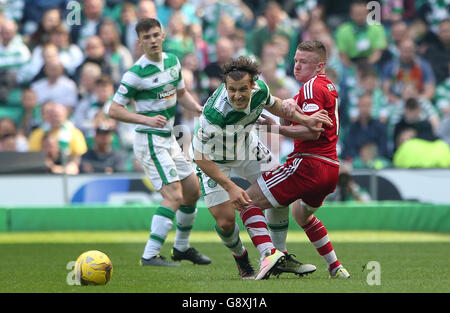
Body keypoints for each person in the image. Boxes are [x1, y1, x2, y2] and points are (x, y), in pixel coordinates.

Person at [192, 56, 333, 280]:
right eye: (232, 90)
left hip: (248, 147)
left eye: (242, 89)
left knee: (279, 192)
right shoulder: (215, 116)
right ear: (225, 87)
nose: (237, 95)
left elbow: (276, 105)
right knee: (226, 222)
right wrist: (230, 187)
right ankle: (241, 258)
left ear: (253, 86)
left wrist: (306, 120)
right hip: (214, 159)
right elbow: (199, 157)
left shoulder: (260, 90)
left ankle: (279, 256)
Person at [242, 40, 351, 279]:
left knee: (246, 201)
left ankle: (271, 256)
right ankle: (335, 267)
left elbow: (313, 132)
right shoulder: (325, 86)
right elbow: (312, 125)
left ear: (320, 66)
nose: (297, 66)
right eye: (295, 61)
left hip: (309, 164)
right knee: (301, 215)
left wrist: (276, 128)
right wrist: (288, 115)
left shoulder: (311, 87)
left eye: (304, 62)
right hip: (330, 169)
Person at [108, 18, 210, 267]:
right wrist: (145, 119)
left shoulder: (174, 62)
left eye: (155, 35)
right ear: (139, 42)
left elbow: (181, 93)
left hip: (169, 138)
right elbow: (113, 110)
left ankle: (182, 248)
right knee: (173, 196)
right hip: (149, 140)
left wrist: (196, 107)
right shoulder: (135, 74)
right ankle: (150, 255)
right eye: (147, 37)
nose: (152, 40)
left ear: (162, 36)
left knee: (192, 191)